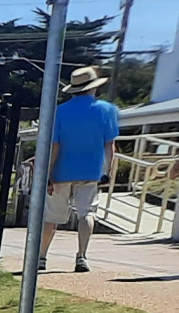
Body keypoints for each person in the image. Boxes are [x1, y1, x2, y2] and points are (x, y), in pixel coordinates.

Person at [38, 65, 120, 273]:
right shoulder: (107, 110)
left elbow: (54, 145)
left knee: (52, 217)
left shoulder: (60, 111)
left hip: (61, 172)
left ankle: (41, 257)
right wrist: (108, 172)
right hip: (91, 171)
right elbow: (110, 145)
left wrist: (49, 174)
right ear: (94, 88)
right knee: (87, 213)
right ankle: (81, 256)